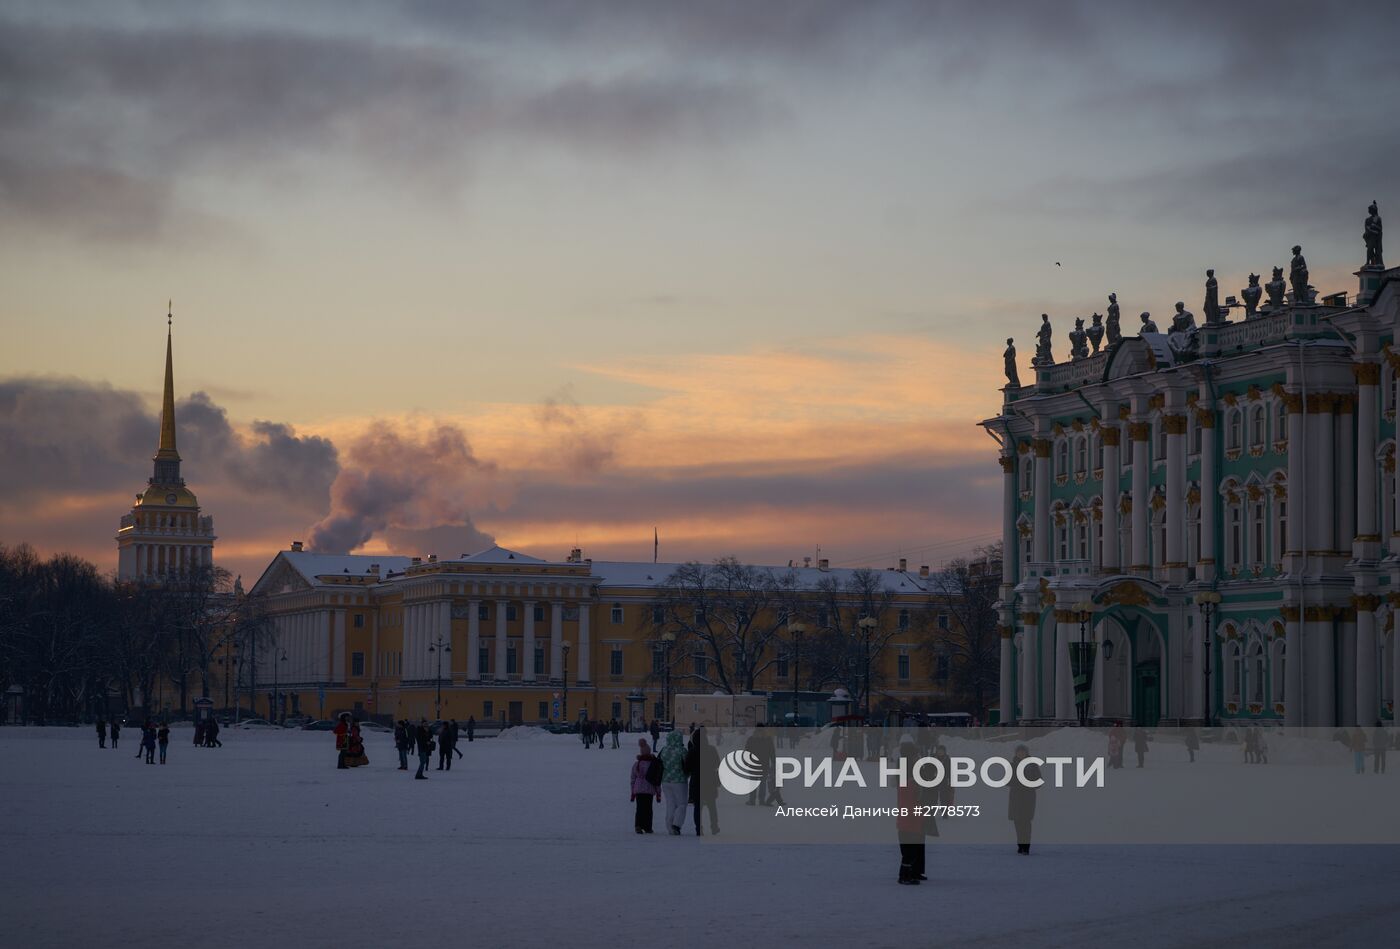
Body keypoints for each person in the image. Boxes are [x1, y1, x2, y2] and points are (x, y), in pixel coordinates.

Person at [896, 741, 925, 885]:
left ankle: (909, 873)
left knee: (910, 849)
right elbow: (911, 801)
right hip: (910, 819)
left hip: (908, 819)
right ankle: (905, 876)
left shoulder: (906, 772)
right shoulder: (909, 779)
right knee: (909, 850)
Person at [684, 727, 719, 836]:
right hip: (710, 781)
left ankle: (699, 829)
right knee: (712, 806)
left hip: (696, 782)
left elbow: (686, 769)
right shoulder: (711, 749)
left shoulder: (692, 751)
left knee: (698, 808)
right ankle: (714, 827)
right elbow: (717, 764)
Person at [1008, 744, 1040, 854]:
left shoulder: (1033, 765)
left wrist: (1028, 783)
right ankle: (1020, 845)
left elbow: (1039, 781)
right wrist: (1015, 781)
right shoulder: (1012, 765)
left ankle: (1026, 846)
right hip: (1016, 798)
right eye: (1019, 752)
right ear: (1016, 753)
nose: (1021, 754)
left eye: (1023, 751)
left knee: (1026, 822)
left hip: (1028, 798)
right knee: (1017, 822)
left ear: (1026, 753)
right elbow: (1007, 781)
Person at [658, 730, 689, 835]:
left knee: (670, 804)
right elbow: (687, 765)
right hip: (679, 781)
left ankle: (669, 826)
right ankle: (676, 825)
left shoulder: (664, 750)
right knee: (682, 804)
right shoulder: (682, 750)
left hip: (665, 780)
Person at [630, 737, 662, 833]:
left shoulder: (637, 764)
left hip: (639, 790)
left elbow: (632, 779)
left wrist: (633, 791)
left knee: (639, 808)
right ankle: (648, 827)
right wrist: (658, 793)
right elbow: (656, 779)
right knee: (648, 809)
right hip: (649, 790)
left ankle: (638, 825)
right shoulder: (653, 764)